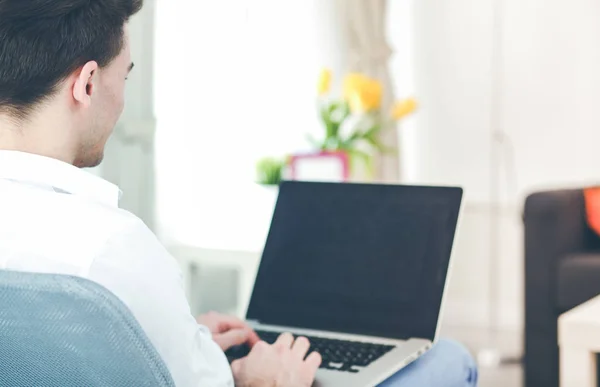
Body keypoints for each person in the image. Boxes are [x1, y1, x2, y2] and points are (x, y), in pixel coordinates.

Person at [0, 0, 478, 386]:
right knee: (449, 361)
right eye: (122, 76)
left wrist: (181, 339)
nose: (121, 97)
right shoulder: (111, 246)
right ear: (85, 83)